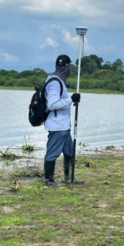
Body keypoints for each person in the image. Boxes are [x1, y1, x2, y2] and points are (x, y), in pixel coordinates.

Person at [43, 54, 82, 188]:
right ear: (67, 67)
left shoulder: (59, 80)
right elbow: (52, 105)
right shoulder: (55, 82)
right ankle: (49, 181)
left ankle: (69, 177)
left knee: (69, 151)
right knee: (53, 153)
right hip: (57, 126)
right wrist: (71, 99)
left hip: (64, 126)